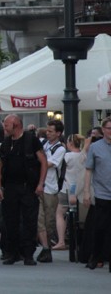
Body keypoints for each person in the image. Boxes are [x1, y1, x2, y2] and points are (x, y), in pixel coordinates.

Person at [0, 114, 47, 266]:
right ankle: (12, 252)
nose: (4, 128)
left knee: (29, 221)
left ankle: (28, 254)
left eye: (6, 125)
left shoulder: (31, 140)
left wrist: (40, 184)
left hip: (28, 187)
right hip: (10, 187)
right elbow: (0, 167)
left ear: (16, 125)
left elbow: (43, 162)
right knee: (10, 221)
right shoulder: (5, 143)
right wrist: (0, 187)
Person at [36, 119, 66, 263]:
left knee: (49, 221)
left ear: (58, 133)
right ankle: (46, 247)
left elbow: (49, 164)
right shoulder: (43, 144)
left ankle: (46, 247)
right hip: (39, 186)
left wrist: (37, 162)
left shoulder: (60, 149)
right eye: (47, 131)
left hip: (51, 188)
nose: (47, 133)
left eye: (51, 131)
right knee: (39, 220)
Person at [83, 116, 111, 271]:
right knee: (99, 227)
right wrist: (87, 192)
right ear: (103, 130)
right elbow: (88, 170)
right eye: (108, 128)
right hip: (102, 193)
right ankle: (96, 256)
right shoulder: (95, 147)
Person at [53, 133, 86, 251]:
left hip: (67, 188)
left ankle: (61, 240)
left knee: (60, 213)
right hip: (81, 189)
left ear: (70, 143)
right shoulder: (84, 156)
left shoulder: (67, 156)